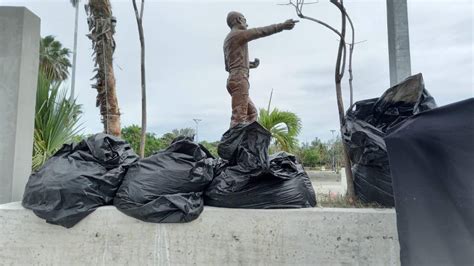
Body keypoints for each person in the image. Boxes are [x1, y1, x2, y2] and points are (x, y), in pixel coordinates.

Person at [224, 11, 298, 127]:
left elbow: (228, 66)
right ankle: (233, 144)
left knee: (252, 113)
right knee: (239, 119)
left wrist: (251, 65)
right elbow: (260, 31)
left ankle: (245, 143)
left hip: (233, 79)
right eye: (244, 20)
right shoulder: (238, 34)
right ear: (238, 20)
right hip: (239, 80)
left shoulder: (228, 40)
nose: (247, 24)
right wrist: (282, 26)